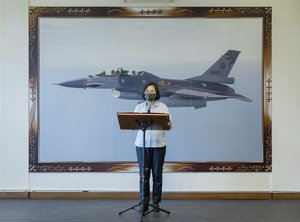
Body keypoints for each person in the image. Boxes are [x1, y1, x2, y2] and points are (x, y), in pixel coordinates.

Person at [134, 82, 172, 213]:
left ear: (156, 93)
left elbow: (169, 125)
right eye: (147, 90)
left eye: (152, 91)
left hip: (158, 145)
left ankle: (156, 203)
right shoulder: (139, 107)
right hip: (142, 145)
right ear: (144, 93)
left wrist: (169, 123)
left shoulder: (163, 107)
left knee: (157, 175)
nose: (149, 93)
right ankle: (144, 202)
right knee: (143, 175)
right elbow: (133, 125)